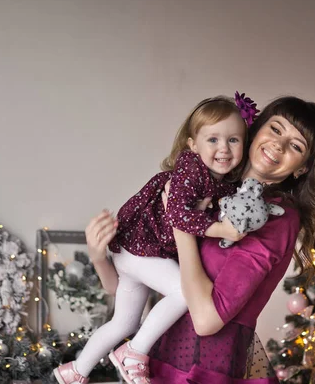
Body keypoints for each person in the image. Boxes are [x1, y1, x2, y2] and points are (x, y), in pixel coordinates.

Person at [83, 96, 315, 383]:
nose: (278, 145)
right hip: (150, 360)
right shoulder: (213, 189)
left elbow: (206, 320)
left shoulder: (276, 219)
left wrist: (180, 223)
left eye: (296, 146)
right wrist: (98, 259)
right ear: (255, 131)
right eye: (276, 129)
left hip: (202, 371)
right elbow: (131, 286)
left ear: (302, 168)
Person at [54, 95, 253, 384]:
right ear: (192, 145)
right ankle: (134, 352)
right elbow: (178, 216)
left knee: (124, 322)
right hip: (141, 249)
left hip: (135, 256)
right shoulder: (191, 170)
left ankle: (76, 370)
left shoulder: (221, 183)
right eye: (213, 140)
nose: (223, 148)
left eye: (234, 140)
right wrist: (221, 229)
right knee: (185, 293)